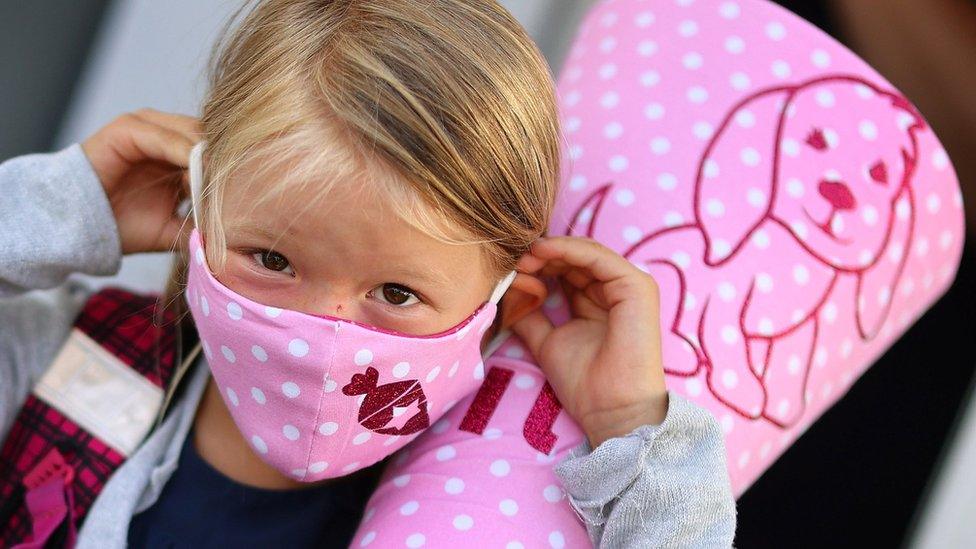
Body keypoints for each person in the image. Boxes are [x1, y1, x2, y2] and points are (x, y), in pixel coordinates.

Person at [0, 1, 736, 547]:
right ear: (200, 208)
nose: (326, 330)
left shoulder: (495, 494)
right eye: (273, 258)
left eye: (397, 292)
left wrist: (631, 426)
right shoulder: (69, 358)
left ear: (505, 305)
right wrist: (63, 207)